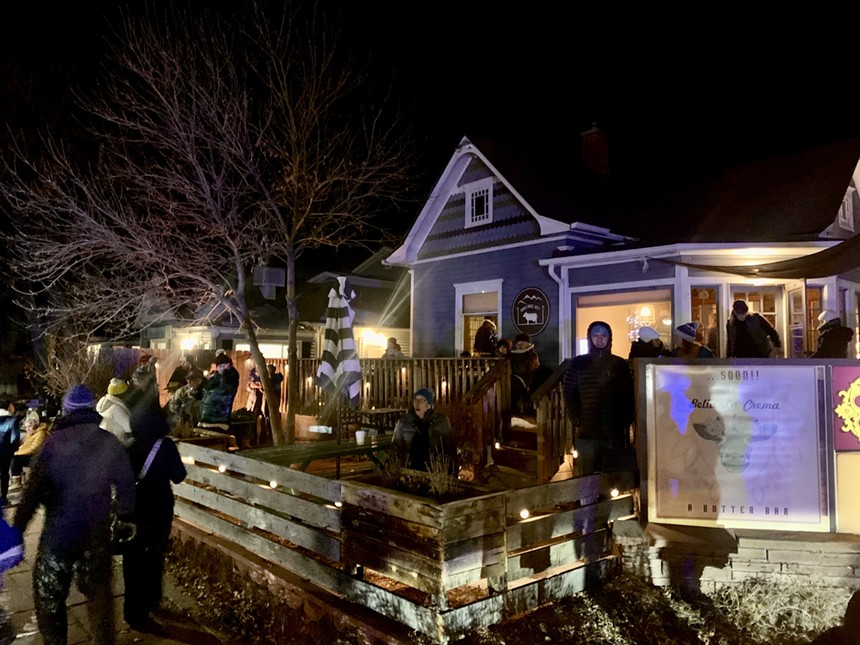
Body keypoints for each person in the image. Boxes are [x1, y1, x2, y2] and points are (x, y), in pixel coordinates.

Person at [13, 384, 136, 645]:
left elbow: (32, 494)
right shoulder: (108, 443)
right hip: (95, 533)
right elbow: (126, 484)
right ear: (92, 409)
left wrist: (18, 529)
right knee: (99, 593)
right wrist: (125, 516)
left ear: (66, 410)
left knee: (49, 595)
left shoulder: (51, 446)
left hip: (58, 535)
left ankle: (55, 640)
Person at [123, 381, 187, 630]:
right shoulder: (165, 445)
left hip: (134, 506)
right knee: (154, 554)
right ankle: (151, 600)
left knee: (133, 557)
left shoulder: (129, 444)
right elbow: (179, 476)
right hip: (159, 506)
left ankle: (132, 611)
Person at [563, 321, 635, 476]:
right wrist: (577, 419)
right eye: (595, 335)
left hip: (614, 432)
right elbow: (569, 393)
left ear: (610, 339)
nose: (600, 339)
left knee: (611, 477)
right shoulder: (578, 363)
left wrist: (625, 421)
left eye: (604, 335)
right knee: (586, 476)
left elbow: (628, 395)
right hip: (587, 432)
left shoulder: (619, 365)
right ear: (589, 338)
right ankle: (588, 501)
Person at [391, 388, 456, 472]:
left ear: (429, 405)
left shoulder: (441, 422)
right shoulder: (403, 423)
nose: (417, 403)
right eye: (415, 400)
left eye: (422, 400)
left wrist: (451, 474)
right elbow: (395, 451)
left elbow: (450, 451)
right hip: (409, 474)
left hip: (435, 474)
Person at [199, 353, 240, 431]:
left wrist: (225, 373)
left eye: (224, 366)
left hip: (220, 419)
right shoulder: (213, 378)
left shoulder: (231, 378)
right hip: (205, 417)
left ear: (228, 365)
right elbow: (205, 391)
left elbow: (226, 388)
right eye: (220, 366)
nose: (222, 368)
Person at [97, 377, 134, 448]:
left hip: (107, 443)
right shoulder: (116, 409)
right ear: (120, 395)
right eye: (126, 393)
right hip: (118, 444)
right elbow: (129, 427)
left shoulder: (105, 404)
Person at [510, 333, 540, 415]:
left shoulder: (532, 356)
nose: (519, 346)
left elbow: (523, 369)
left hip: (527, 381)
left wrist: (511, 369)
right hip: (513, 379)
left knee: (513, 385)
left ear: (527, 344)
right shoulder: (513, 355)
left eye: (522, 344)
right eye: (518, 344)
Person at [0, 400, 19, 507]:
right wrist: (13, 450)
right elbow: (14, 438)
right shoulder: (12, 420)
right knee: (4, 474)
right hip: (5, 452)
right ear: (8, 407)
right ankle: (3, 498)